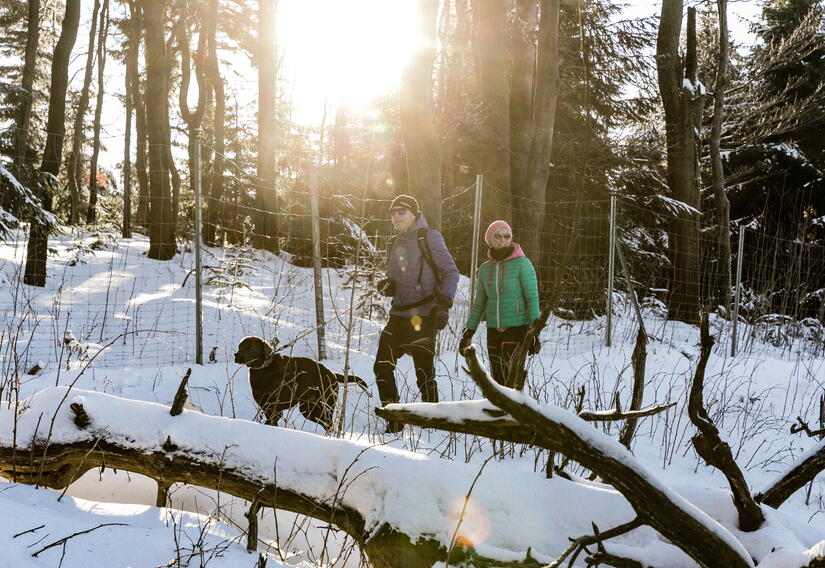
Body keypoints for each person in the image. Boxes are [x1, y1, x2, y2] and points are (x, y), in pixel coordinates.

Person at [374, 195, 460, 432]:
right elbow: (397, 276)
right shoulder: (392, 242)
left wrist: (444, 304)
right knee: (382, 365)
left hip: (424, 315)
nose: (396, 216)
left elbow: (451, 272)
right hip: (398, 315)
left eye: (401, 211)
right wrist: (389, 285)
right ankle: (394, 419)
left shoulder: (429, 237)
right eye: (392, 212)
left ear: (414, 213)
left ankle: (433, 423)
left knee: (423, 372)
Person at [459, 220, 540, 388]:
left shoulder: (523, 264)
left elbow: (532, 297)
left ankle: (516, 408)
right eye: (498, 235)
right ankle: (500, 410)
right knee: (497, 373)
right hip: (493, 327)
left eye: (507, 236)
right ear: (490, 239)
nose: (503, 240)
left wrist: (534, 332)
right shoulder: (485, 269)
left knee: (509, 370)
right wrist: (470, 330)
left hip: (517, 326)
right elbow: (480, 301)